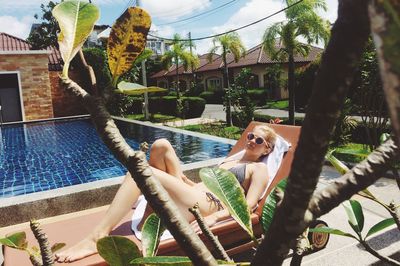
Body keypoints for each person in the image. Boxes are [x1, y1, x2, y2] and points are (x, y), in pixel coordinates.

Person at [55, 125, 277, 263]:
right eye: (250, 136)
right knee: (161, 145)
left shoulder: (259, 169)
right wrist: (182, 180)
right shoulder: (234, 159)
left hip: (209, 205)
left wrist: (215, 217)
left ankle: (96, 237)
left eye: (259, 141)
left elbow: (247, 206)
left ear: (267, 149)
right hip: (192, 193)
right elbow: (207, 182)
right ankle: (159, 185)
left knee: (141, 171)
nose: (251, 141)